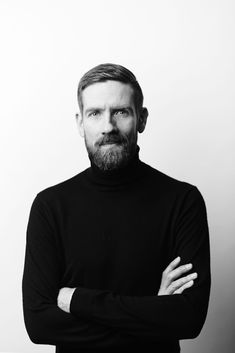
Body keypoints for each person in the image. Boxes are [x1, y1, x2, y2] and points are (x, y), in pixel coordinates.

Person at [22, 63, 211, 353]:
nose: (108, 126)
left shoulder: (183, 201)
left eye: (121, 112)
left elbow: (188, 319)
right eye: (95, 113)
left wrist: (78, 300)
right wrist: (154, 314)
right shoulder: (50, 207)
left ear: (142, 119)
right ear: (79, 123)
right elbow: (39, 324)